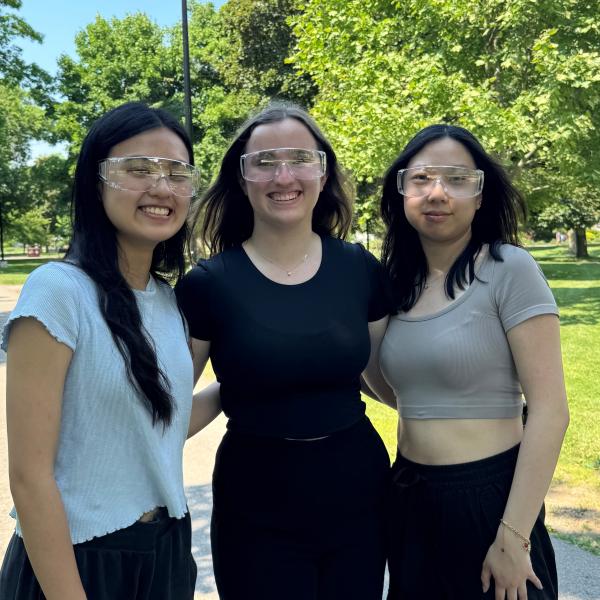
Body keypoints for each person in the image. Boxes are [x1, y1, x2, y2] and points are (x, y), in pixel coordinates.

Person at [0, 102, 220, 599]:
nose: (161, 188)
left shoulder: (167, 301)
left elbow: (156, 427)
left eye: (177, 173)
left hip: (164, 553)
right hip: (78, 562)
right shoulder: (58, 292)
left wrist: (245, 379)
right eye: (138, 170)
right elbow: (30, 478)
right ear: (95, 181)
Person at [175, 102, 391, 600]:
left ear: (323, 172)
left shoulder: (360, 269)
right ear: (243, 178)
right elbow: (169, 408)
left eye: (299, 159)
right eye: (265, 162)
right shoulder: (210, 284)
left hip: (357, 494)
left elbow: (385, 380)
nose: (284, 175)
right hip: (255, 503)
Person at [374, 124, 569, 599]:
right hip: (411, 498)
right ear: (401, 190)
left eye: (457, 179)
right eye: (421, 179)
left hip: (491, 502)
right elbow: (385, 382)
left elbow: (551, 410)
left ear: (480, 195)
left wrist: (513, 534)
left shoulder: (508, 269)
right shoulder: (394, 283)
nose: (437, 193)